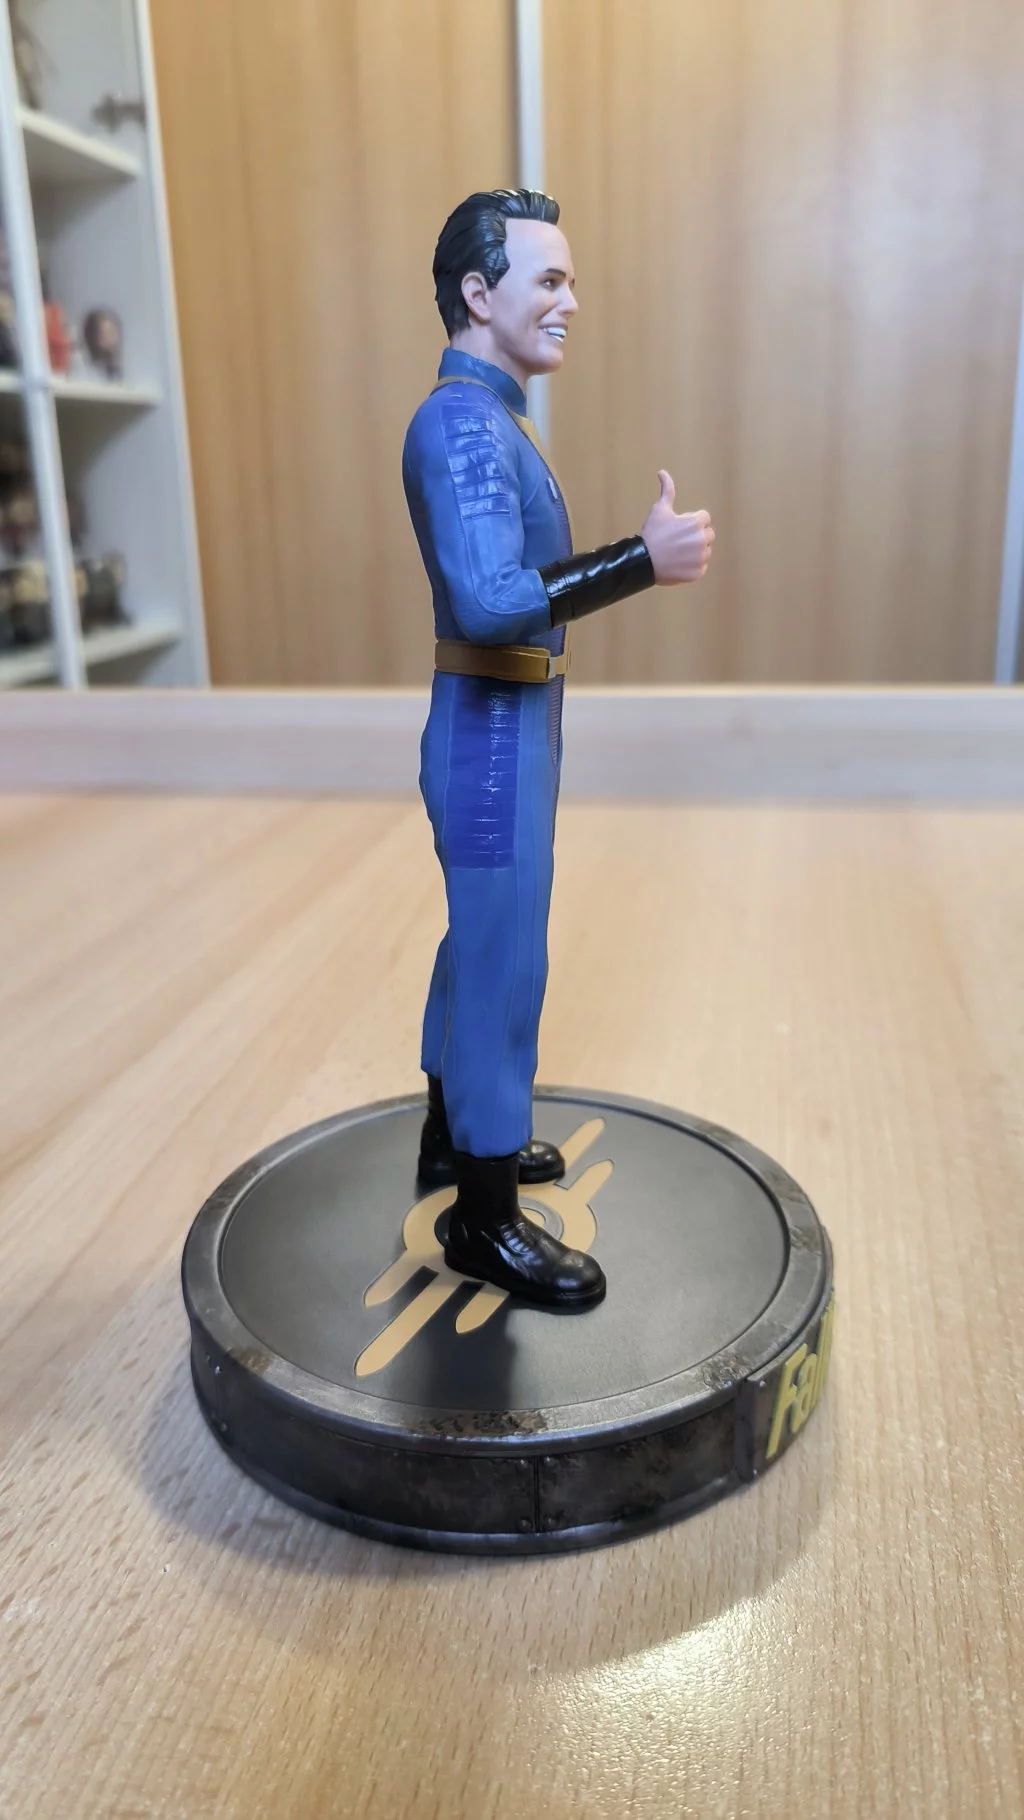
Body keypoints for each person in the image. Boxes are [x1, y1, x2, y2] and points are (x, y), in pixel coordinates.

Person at [402, 188, 714, 1310]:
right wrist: (642, 558)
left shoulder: (488, 416)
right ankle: (483, 1218)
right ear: (477, 294)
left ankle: (453, 1138)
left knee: (480, 942)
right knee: (501, 962)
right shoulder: (462, 425)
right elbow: (491, 601)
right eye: (549, 279)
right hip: (492, 726)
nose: (570, 300)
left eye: (568, 279)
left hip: (511, 718)